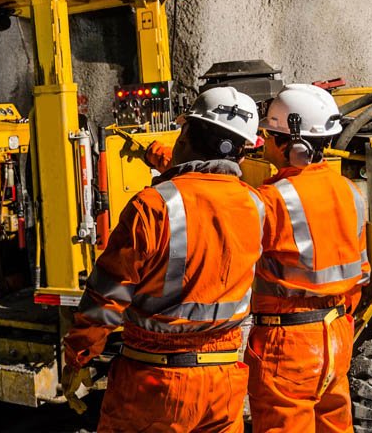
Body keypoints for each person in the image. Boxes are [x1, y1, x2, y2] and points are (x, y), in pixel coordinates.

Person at [62, 86, 264, 432]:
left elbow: (107, 294)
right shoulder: (257, 205)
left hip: (155, 383)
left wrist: (79, 355)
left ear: (185, 136)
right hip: (223, 384)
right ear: (241, 154)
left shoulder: (152, 206)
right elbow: (205, 180)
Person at [245, 84, 369, 433]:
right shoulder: (350, 192)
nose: (265, 141)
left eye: (270, 134)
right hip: (337, 332)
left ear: (291, 145)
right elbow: (360, 274)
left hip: (289, 343)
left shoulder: (271, 199)